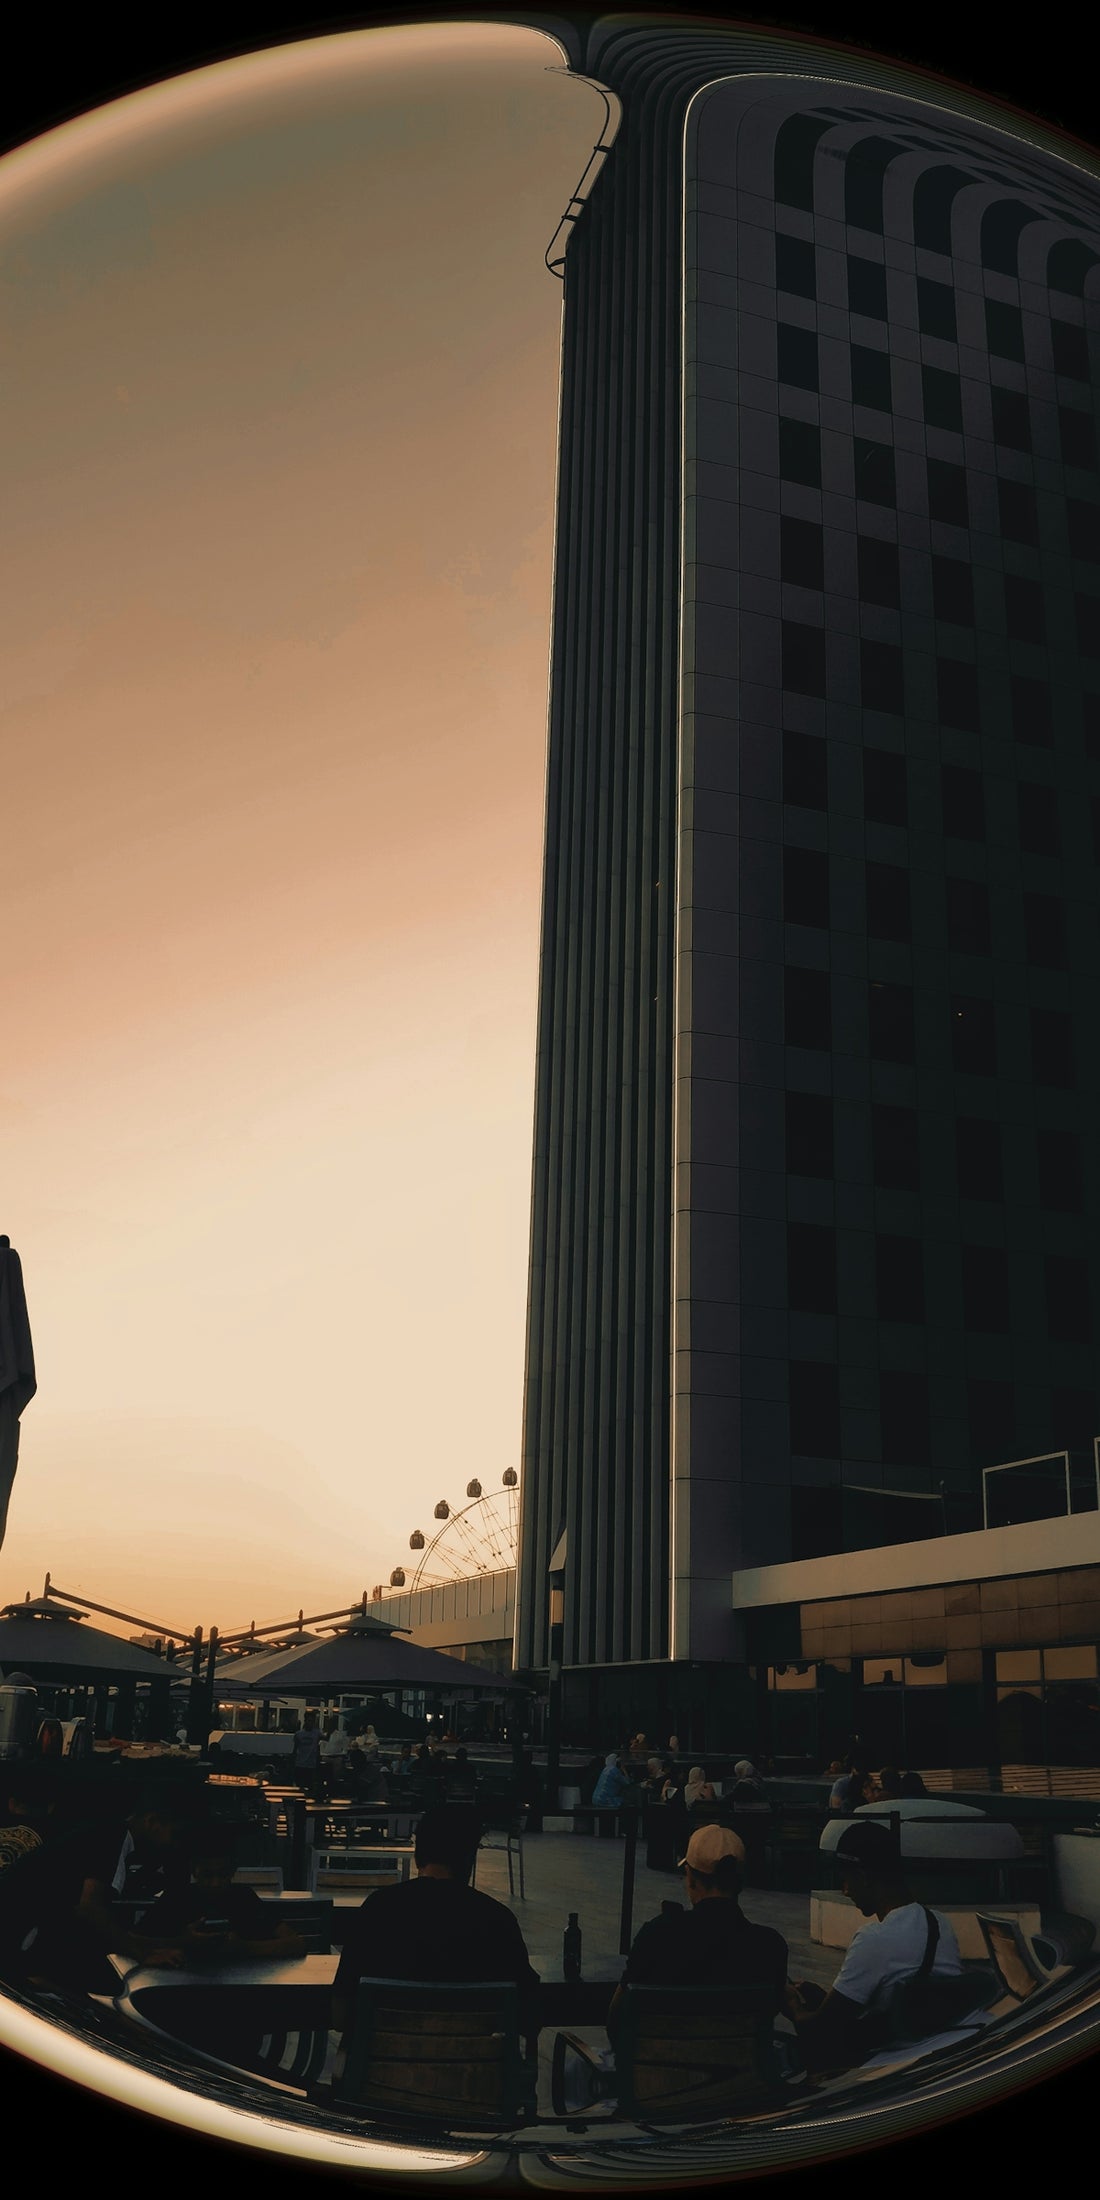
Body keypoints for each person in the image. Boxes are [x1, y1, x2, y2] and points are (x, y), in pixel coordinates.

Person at [332, 1805, 540, 2055]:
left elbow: (340, 2015)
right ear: (468, 1858)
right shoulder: (498, 1920)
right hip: (470, 2084)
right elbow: (528, 2017)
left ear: (419, 1854)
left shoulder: (378, 1909)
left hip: (381, 2082)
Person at [784, 1820, 968, 2072]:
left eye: (846, 1880)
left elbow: (819, 2029)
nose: (845, 1891)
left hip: (895, 2061)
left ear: (863, 1877)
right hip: (943, 2047)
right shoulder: (939, 1923)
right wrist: (826, 1998)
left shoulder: (874, 1938)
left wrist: (791, 2005)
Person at [607, 1825, 788, 2045]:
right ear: (740, 1883)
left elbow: (616, 2022)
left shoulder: (657, 1934)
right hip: (741, 2075)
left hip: (661, 2073)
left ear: (691, 1879)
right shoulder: (770, 1945)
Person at [137, 1828, 307, 1964]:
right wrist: (184, 1942)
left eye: (223, 1874)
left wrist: (244, 1948)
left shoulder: (243, 1898)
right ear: (194, 1871)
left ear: (233, 1871)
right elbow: (134, 1941)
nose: (215, 1883)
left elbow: (296, 1944)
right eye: (207, 1875)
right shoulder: (176, 1898)